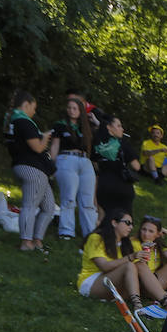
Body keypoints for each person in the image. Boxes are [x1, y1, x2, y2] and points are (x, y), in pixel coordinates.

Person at [78, 211, 167, 311]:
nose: (130, 227)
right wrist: (131, 257)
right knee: (129, 265)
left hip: (112, 283)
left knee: (139, 265)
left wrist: (143, 252)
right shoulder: (96, 238)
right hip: (92, 283)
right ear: (114, 223)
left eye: (132, 224)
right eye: (127, 223)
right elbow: (104, 266)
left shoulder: (124, 244)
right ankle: (138, 305)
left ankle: (166, 301)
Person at [4, 90, 56, 252]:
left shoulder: (12, 122)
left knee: (49, 207)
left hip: (29, 168)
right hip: (32, 169)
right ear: (26, 105)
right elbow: (37, 147)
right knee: (30, 205)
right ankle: (26, 242)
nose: (34, 111)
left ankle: (37, 240)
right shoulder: (23, 122)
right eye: (33, 107)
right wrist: (46, 137)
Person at [51, 95, 97, 241]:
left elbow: (103, 134)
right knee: (69, 198)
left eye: (75, 108)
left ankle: (90, 233)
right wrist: (51, 164)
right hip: (66, 159)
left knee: (88, 200)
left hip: (85, 161)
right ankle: (66, 231)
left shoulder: (86, 127)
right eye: (69, 108)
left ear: (80, 110)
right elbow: (55, 145)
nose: (72, 111)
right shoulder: (60, 124)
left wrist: (96, 122)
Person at [91, 115, 139, 220]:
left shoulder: (97, 145)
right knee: (125, 218)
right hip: (122, 186)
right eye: (119, 126)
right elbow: (136, 166)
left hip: (104, 185)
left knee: (104, 217)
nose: (122, 129)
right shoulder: (123, 144)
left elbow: (95, 164)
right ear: (109, 127)